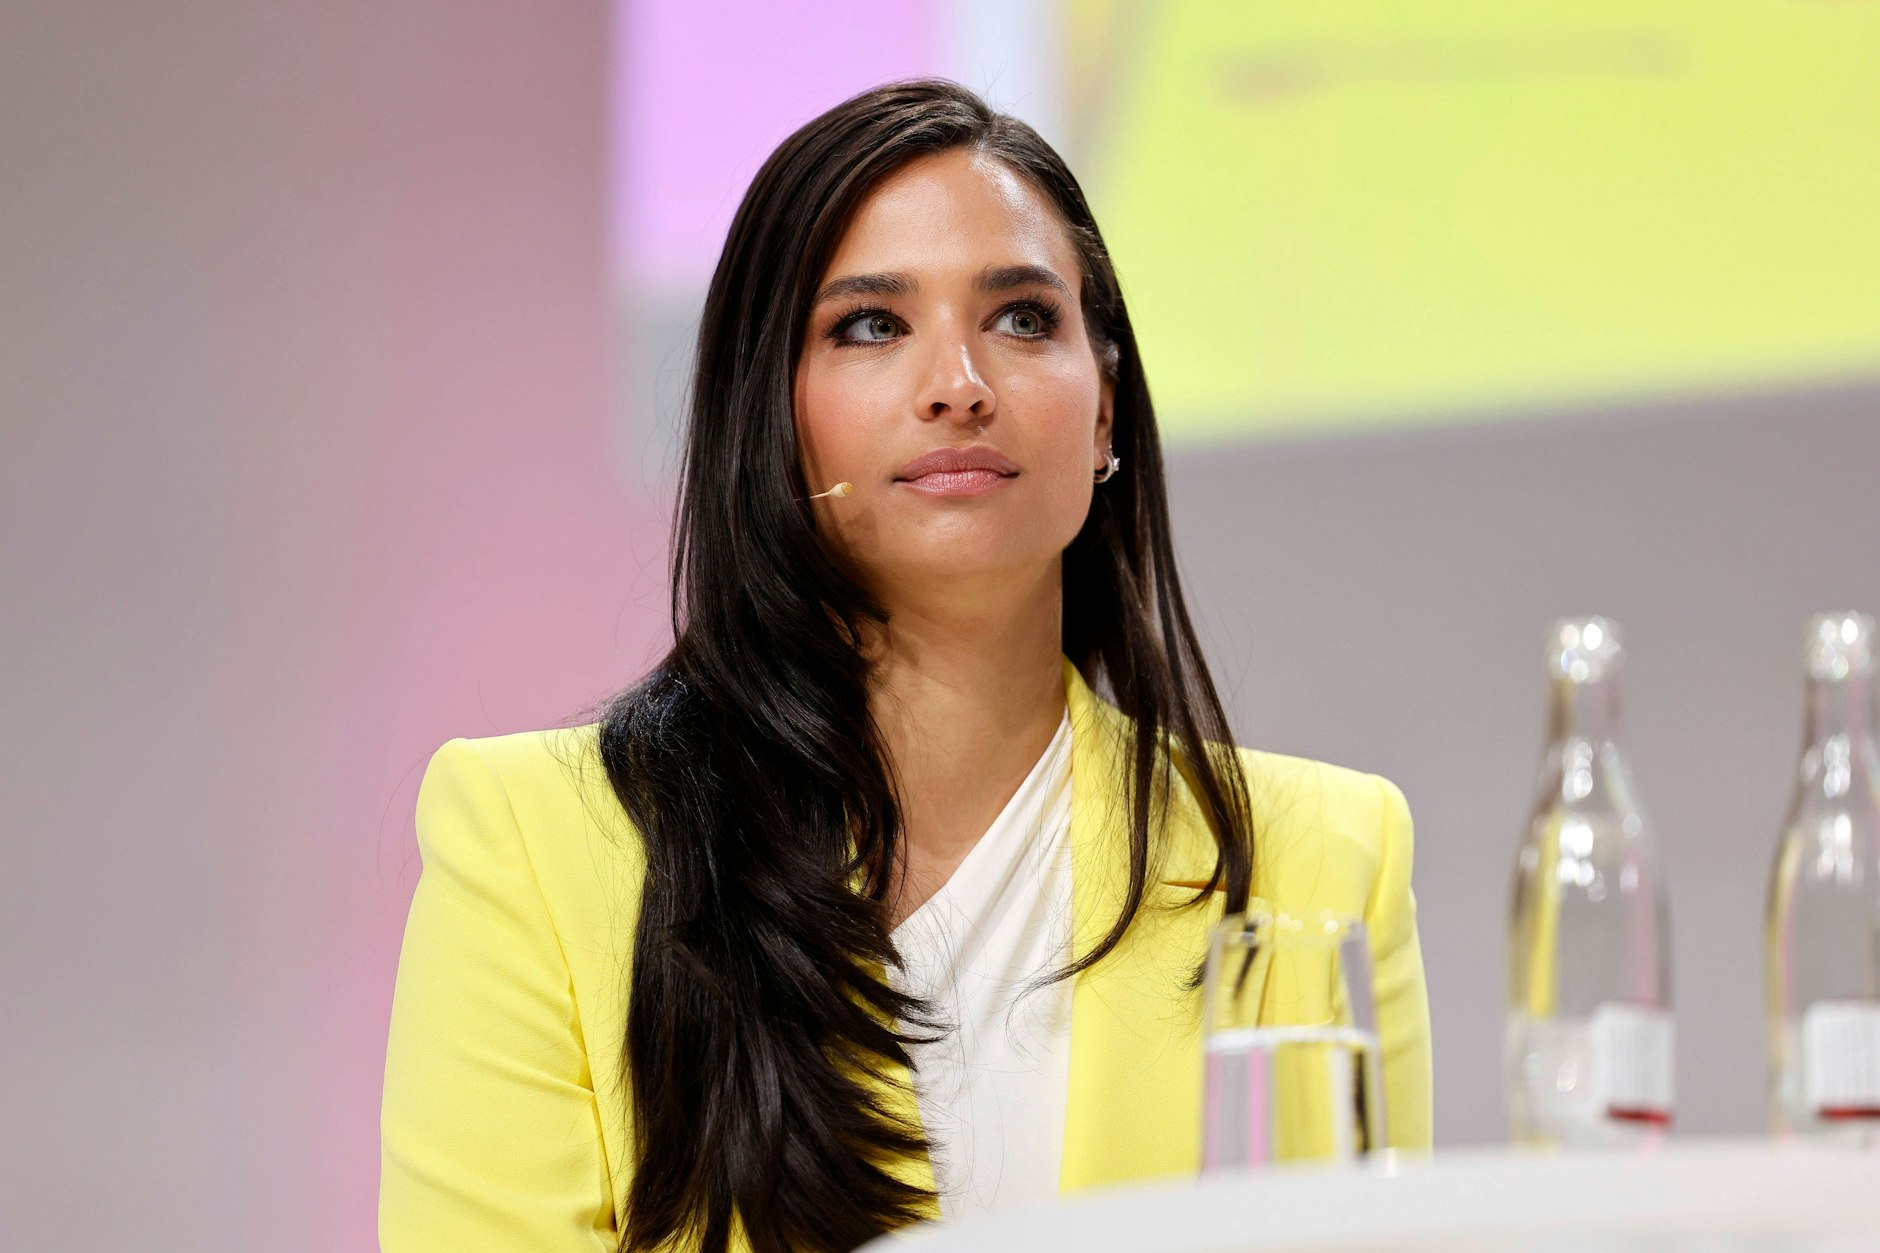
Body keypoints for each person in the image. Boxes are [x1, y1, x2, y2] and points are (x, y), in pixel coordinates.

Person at [379, 78, 1431, 1253]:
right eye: (871, 325)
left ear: (1103, 415)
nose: (959, 384)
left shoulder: (1319, 859)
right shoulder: (532, 842)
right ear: (767, 414)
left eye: (1023, 318)